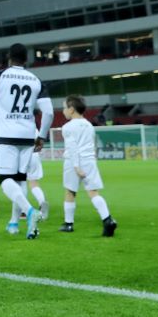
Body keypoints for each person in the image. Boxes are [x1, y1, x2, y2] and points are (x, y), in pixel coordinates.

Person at [0, 43, 53, 240]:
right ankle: (14, 223)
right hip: (28, 135)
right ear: (26, 59)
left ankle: (30, 211)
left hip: (8, 134)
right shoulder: (35, 80)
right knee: (20, 179)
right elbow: (48, 112)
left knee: (5, 179)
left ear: (9, 57)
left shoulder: (0, 76)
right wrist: (41, 135)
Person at [59, 95, 117, 236]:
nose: (63, 111)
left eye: (64, 108)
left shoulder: (67, 127)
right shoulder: (89, 125)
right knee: (93, 192)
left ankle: (68, 224)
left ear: (71, 109)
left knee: (70, 192)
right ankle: (107, 219)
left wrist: (76, 167)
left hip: (74, 162)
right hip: (90, 160)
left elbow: (73, 148)